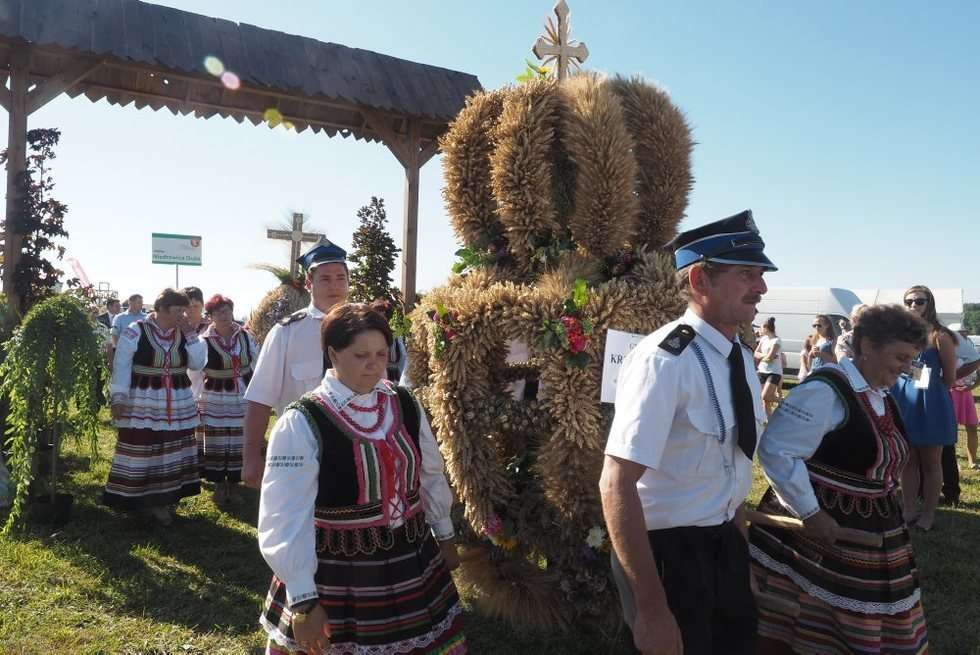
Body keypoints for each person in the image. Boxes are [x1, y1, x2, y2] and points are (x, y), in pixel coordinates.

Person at [600, 210, 773, 655]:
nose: (762, 288)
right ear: (700, 280)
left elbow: (729, 468)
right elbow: (616, 484)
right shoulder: (664, 360)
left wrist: (740, 556)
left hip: (724, 543)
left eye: (760, 274)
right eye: (747, 274)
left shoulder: (738, 357)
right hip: (669, 556)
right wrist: (652, 609)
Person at [258, 303, 466, 655]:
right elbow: (284, 515)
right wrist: (304, 601)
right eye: (361, 355)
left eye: (382, 353)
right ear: (333, 354)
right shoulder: (303, 421)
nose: (374, 364)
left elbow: (430, 474)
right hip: (337, 574)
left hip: (412, 562)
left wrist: (444, 534)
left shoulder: (404, 403)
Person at [749, 304, 930, 655]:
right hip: (822, 530)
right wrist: (810, 512)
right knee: (811, 623)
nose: (906, 367)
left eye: (911, 358)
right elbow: (777, 450)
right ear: (866, 347)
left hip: (874, 530)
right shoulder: (826, 390)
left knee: (872, 621)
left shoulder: (879, 395)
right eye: (900, 357)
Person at [243, 239, 350, 489]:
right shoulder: (286, 334)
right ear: (309, 283)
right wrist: (250, 458)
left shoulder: (363, 328)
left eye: (340, 277)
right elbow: (259, 398)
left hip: (354, 450)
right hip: (299, 452)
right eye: (325, 279)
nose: (334, 285)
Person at [103, 288, 206, 525]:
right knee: (144, 443)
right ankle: (138, 498)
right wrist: (118, 397)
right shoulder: (135, 331)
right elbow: (122, 365)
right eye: (177, 310)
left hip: (176, 400)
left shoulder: (184, 333)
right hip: (144, 399)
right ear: (160, 309)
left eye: (184, 310)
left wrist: (191, 334)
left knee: (170, 447)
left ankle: (163, 499)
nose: (182, 315)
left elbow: (198, 363)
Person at [892, 285, 958, 526]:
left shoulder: (940, 336)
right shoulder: (900, 334)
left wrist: (925, 384)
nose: (913, 306)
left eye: (919, 301)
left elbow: (950, 378)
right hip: (902, 400)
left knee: (931, 461)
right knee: (907, 460)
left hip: (930, 403)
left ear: (929, 303)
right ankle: (908, 509)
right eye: (908, 301)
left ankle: (928, 513)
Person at [198, 294, 257, 503]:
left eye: (227, 311)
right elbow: (196, 369)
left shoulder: (245, 336)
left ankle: (233, 485)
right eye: (218, 312)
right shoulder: (203, 340)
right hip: (214, 395)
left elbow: (255, 362)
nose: (224, 315)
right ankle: (219, 486)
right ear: (211, 316)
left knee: (238, 439)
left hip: (240, 394)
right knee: (216, 439)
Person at [949, 323, 980, 470]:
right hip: (950, 393)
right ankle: (951, 461)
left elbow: (978, 371)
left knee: (972, 427)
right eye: (960, 333)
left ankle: (972, 461)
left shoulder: (971, 349)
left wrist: (973, 387)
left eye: (964, 332)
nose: (963, 335)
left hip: (966, 394)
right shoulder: (946, 350)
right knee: (950, 430)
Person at [755, 317, 782, 415]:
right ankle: (769, 422)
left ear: (766, 328)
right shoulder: (763, 339)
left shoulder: (776, 340)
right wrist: (765, 356)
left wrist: (765, 357)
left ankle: (784, 402)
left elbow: (770, 359)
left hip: (773, 372)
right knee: (765, 401)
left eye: (761, 327)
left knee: (765, 396)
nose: (760, 330)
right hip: (762, 370)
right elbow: (756, 353)